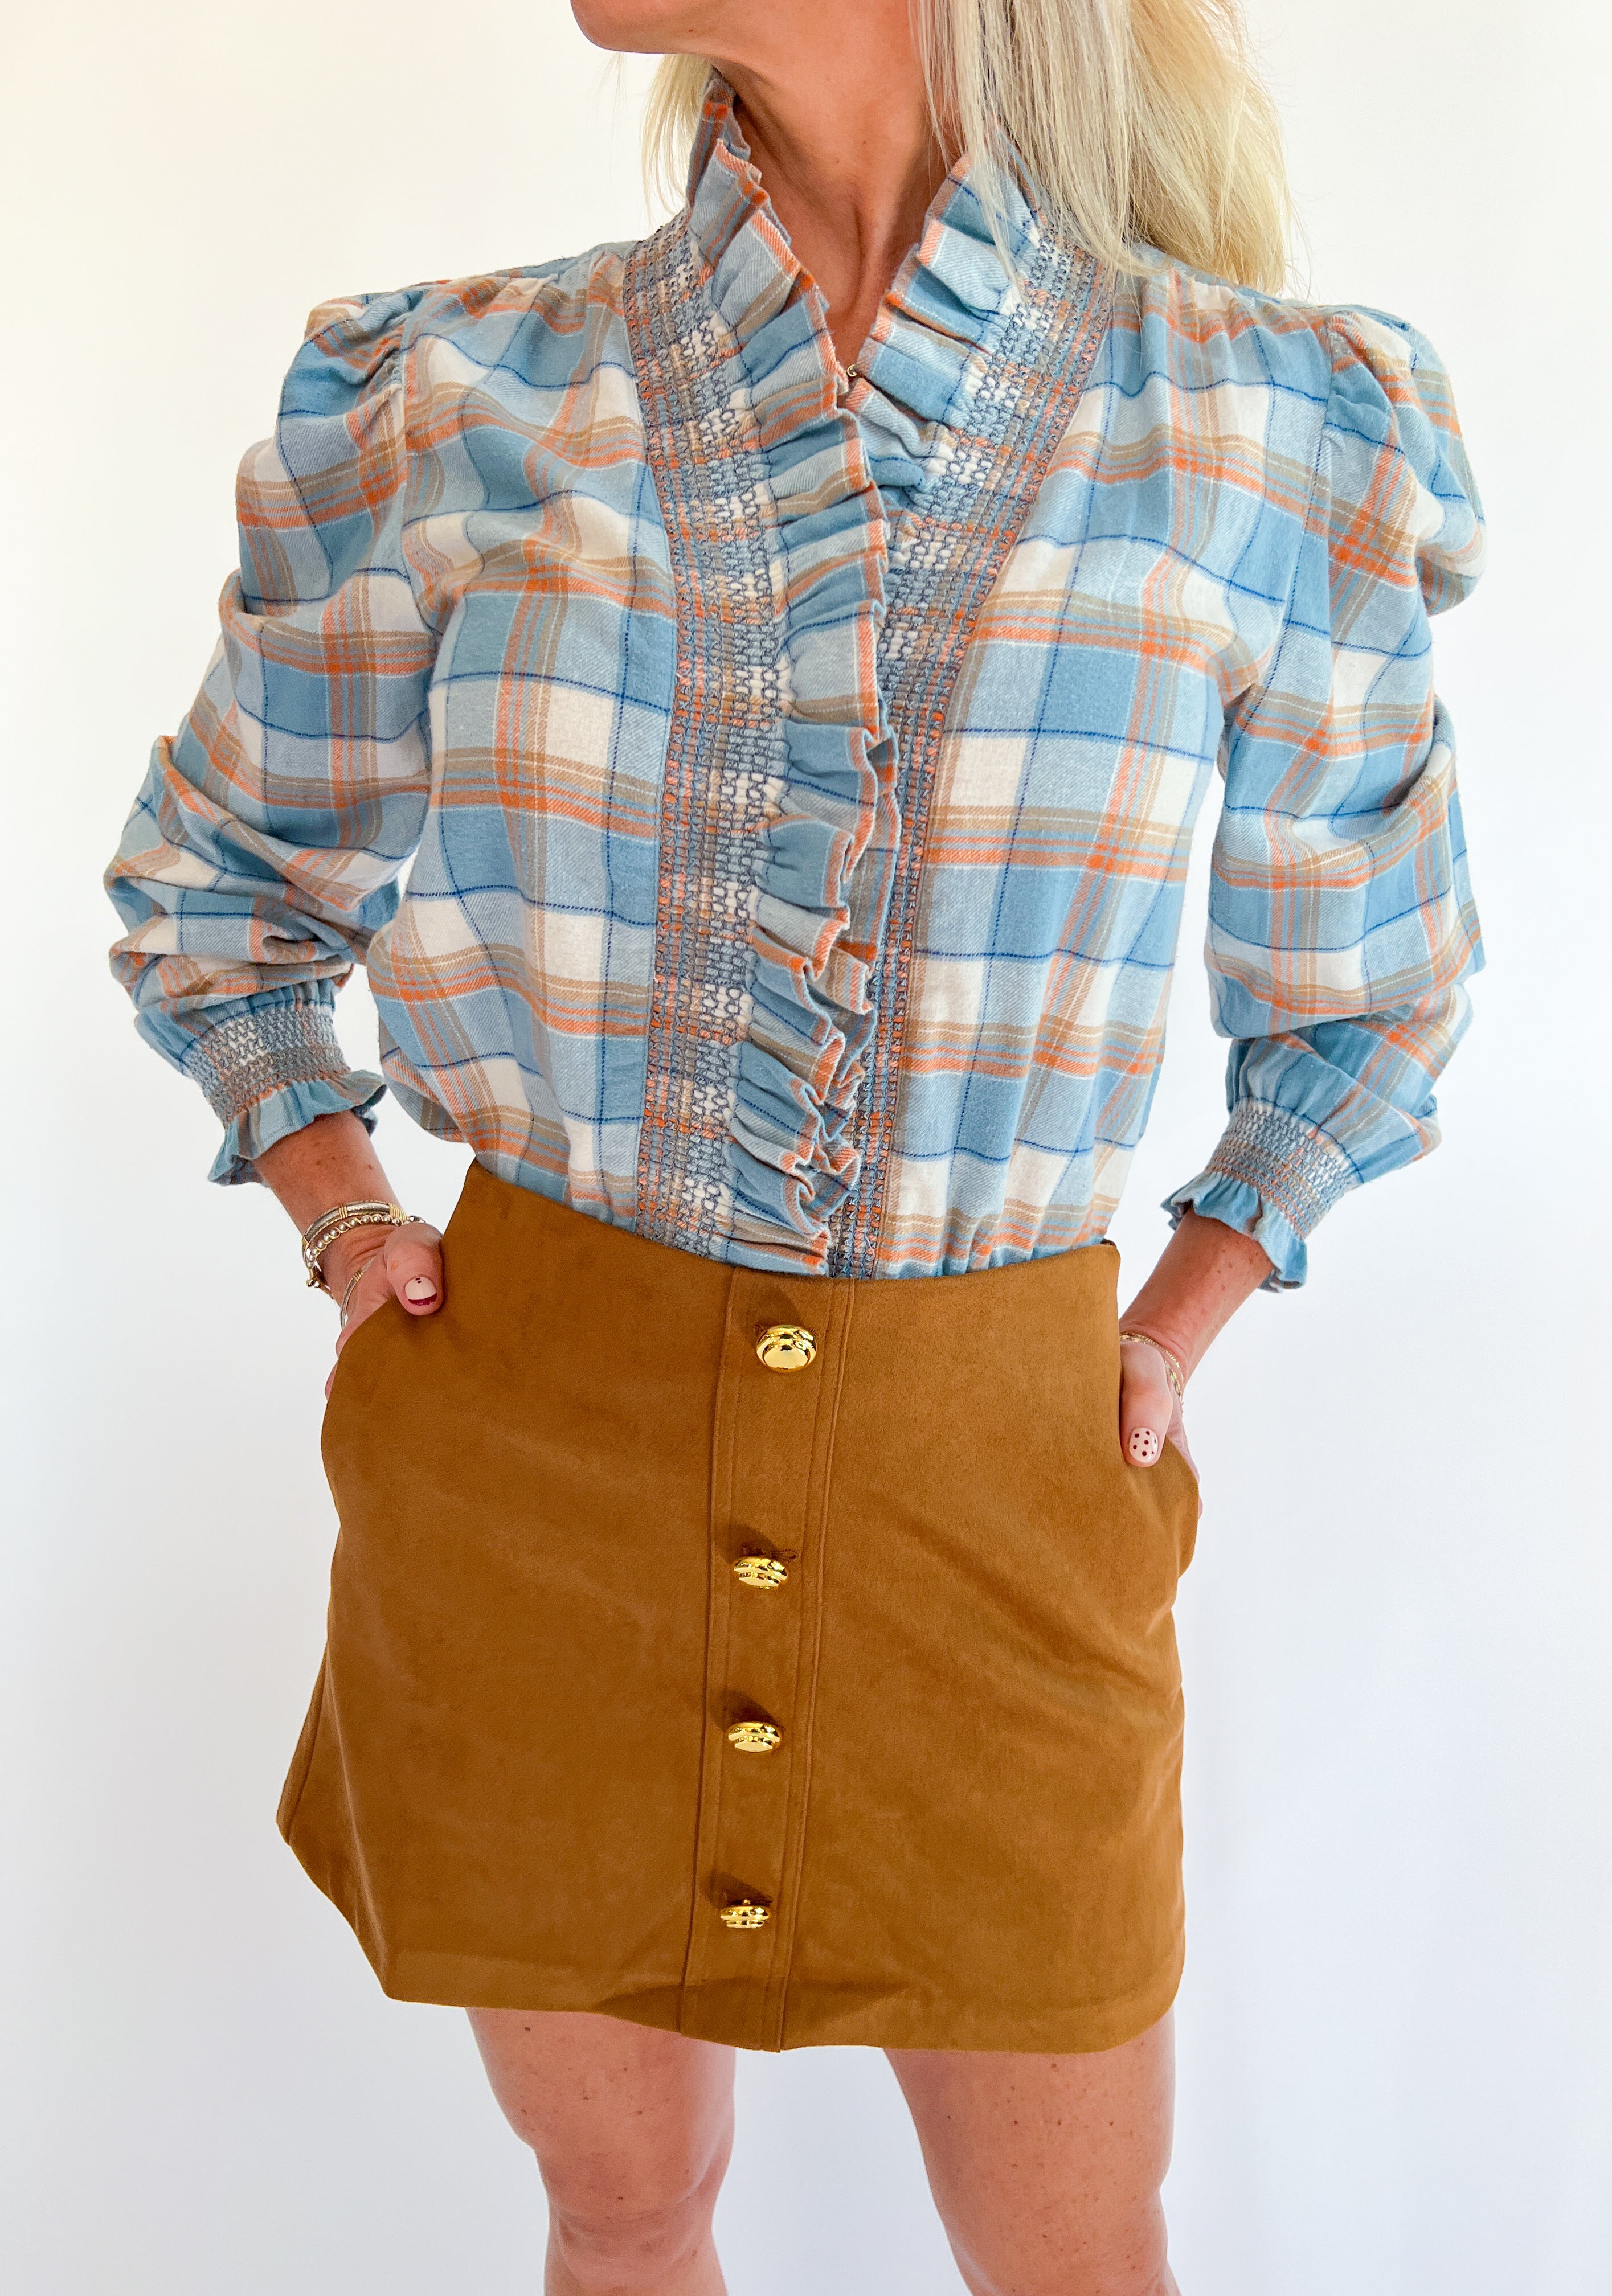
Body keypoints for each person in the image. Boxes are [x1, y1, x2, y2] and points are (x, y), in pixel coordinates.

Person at [105, 0, 1485, 2287]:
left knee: (1075, 2255)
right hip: (532, 1482)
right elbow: (220, 890)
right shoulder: (453, 393)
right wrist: (344, 1215)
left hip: (1000, 1512)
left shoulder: (1266, 424)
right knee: (623, 2210)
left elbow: (1369, 989)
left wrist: (1178, 1311)